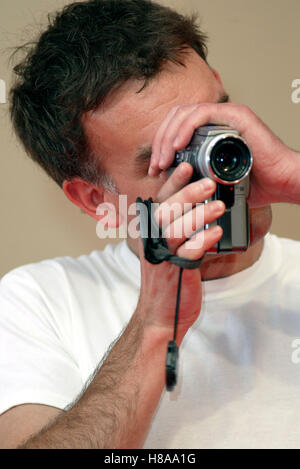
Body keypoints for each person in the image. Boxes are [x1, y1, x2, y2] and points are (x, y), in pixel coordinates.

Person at [0, 0, 299, 449]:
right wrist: (156, 327)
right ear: (95, 199)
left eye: (214, 125)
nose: (217, 166)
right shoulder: (40, 301)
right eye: (172, 159)